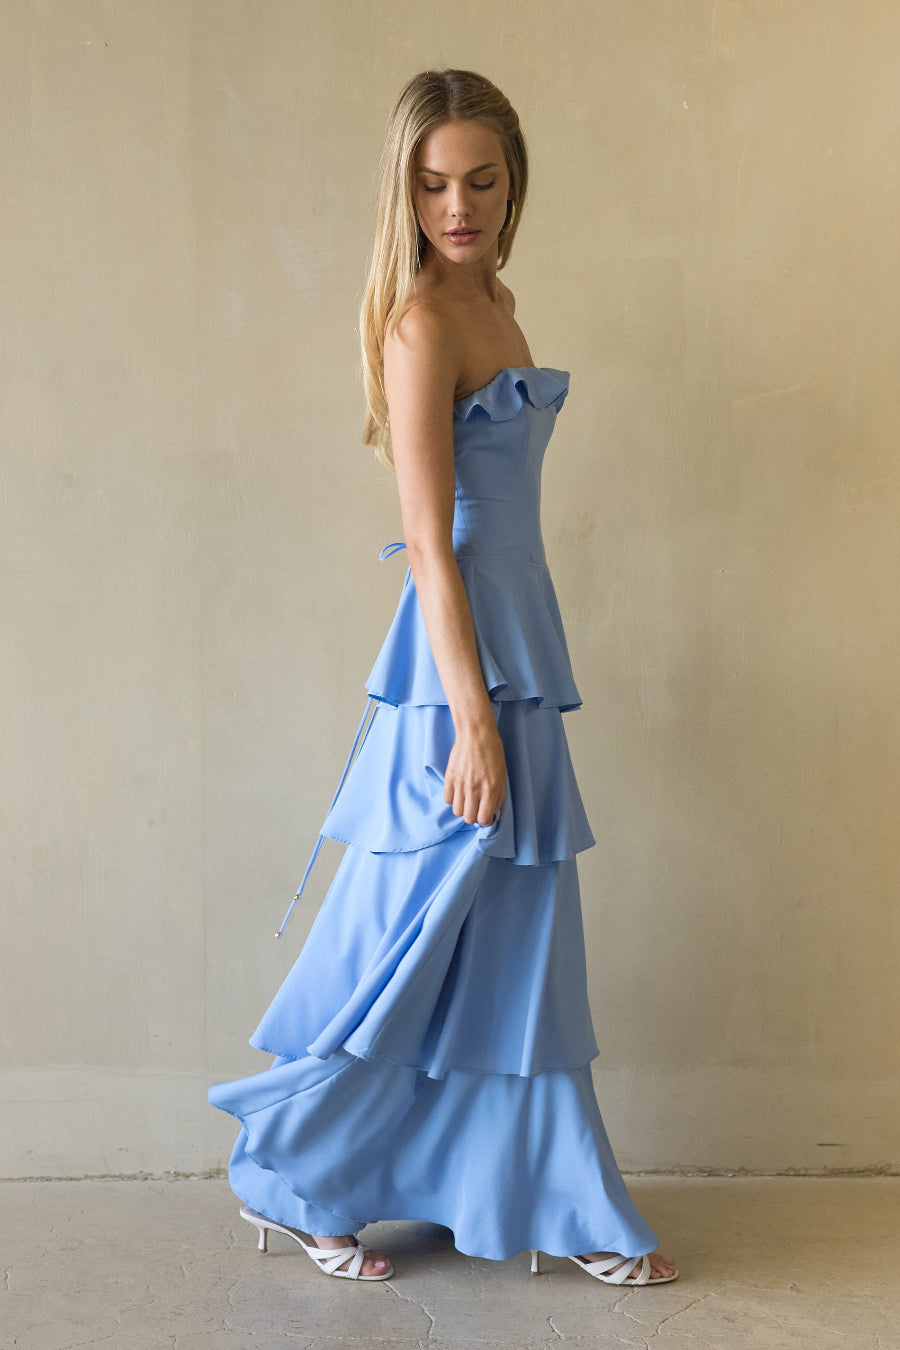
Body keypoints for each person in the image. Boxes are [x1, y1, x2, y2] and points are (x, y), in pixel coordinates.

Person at [209, 67, 678, 1289]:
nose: (456, 207)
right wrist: (471, 719)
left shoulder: (499, 304)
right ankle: (299, 1173)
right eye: (431, 185)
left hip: (522, 643)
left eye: (478, 181)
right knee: (401, 937)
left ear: (513, 182)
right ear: (403, 192)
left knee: (518, 941)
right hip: (458, 666)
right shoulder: (421, 324)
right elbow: (428, 540)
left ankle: (550, 1195)